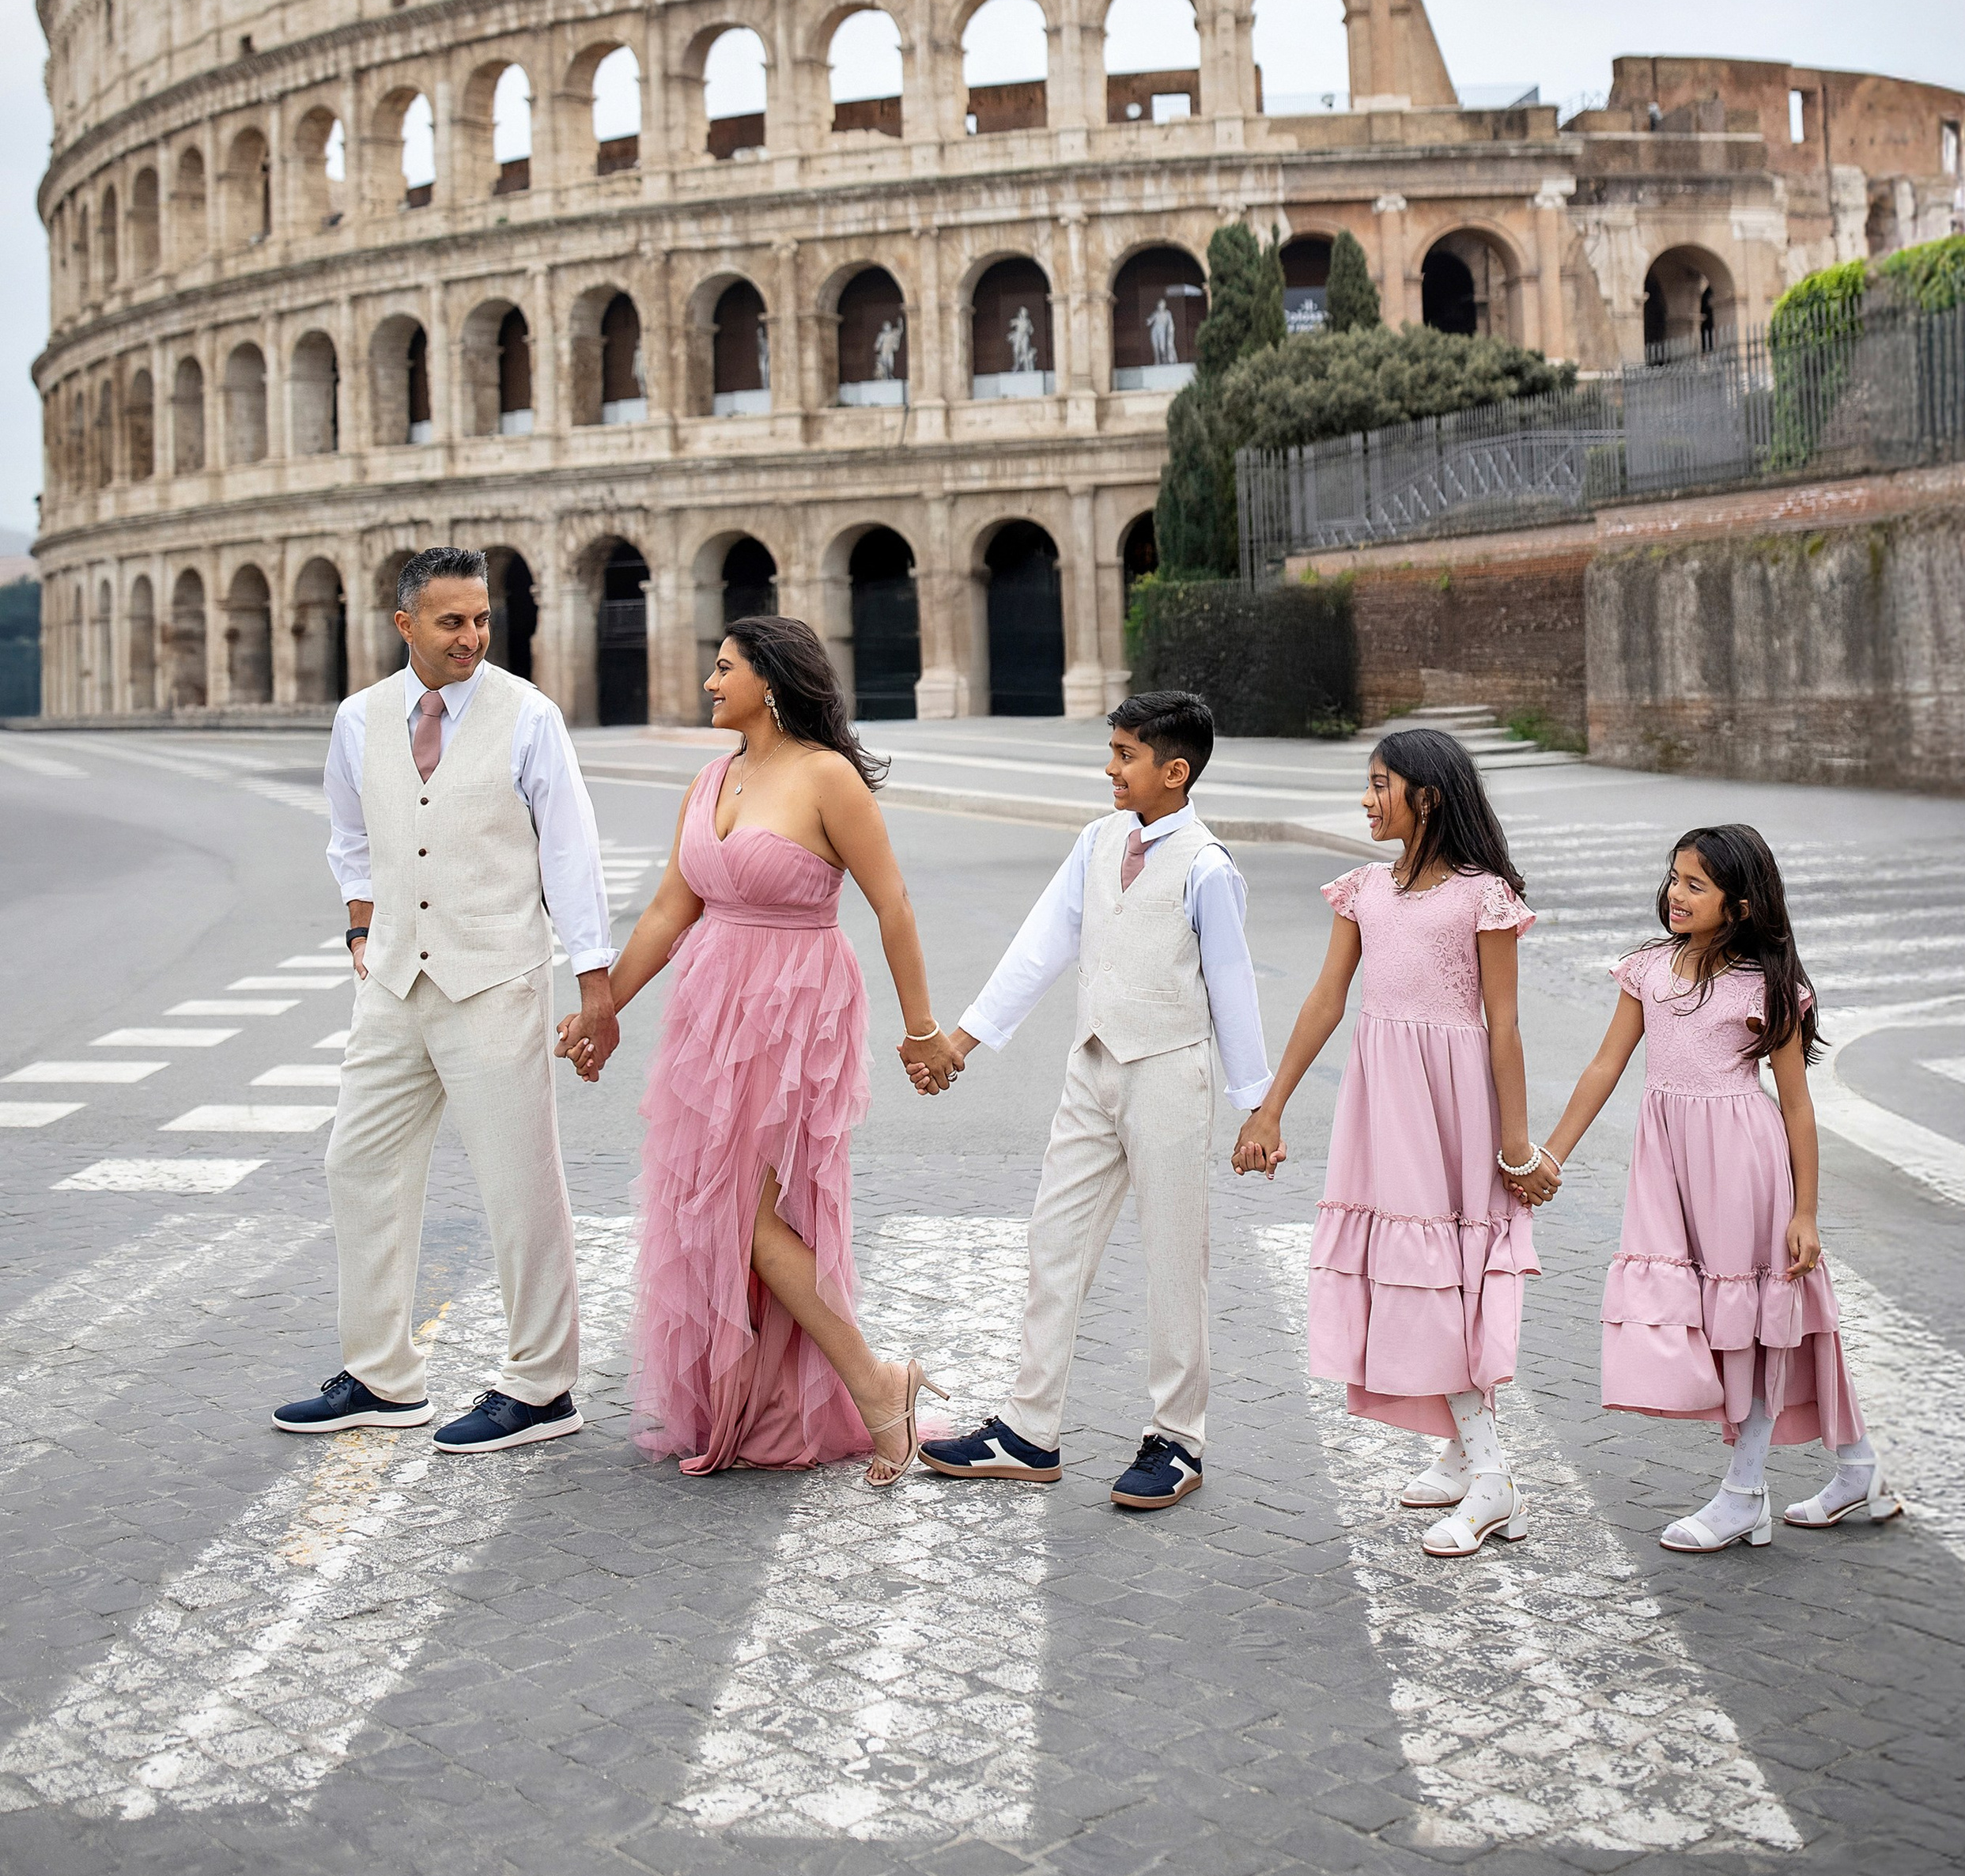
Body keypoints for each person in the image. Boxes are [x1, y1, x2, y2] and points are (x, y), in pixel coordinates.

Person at [555, 617, 964, 1484]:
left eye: (723, 667)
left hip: (796, 1012)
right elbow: (669, 910)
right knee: (716, 1204)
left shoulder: (826, 777)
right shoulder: (711, 778)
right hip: (710, 1014)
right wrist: (602, 1006)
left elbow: (892, 903)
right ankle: (816, 1391)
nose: (709, 682)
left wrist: (922, 1027)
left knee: (748, 1211)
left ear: (769, 681)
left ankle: (876, 1384)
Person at [274, 545, 613, 1453]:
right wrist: (359, 926)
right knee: (357, 1163)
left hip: (495, 979)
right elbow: (351, 835)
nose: (471, 636)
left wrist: (594, 981)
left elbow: (570, 852)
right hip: (391, 981)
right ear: (405, 623)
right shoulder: (359, 718)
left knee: (518, 1183)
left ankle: (543, 1385)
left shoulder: (528, 715)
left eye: (481, 619)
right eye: (451, 620)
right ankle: (382, 1376)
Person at [919, 690, 1268, 1514]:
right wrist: (962, 1040)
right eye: (1111, 751)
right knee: (1054, 1238)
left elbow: (1233, 982)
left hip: (1168, 1073)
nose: (1109, 767)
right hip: (1092, 1066)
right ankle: (1028, 1429)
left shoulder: (1207, 865)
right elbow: (1042, 944)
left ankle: (1177, 1439)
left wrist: (1258, 1105)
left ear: (1174, 771)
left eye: (1124, 755)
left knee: (1173, 1257)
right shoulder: (1096, 840)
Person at [1534, 823, 1901, 1550]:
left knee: (1754, 1325)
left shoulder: (1765, 987)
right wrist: (1552, 1154)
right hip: (1671, 1165)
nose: (1676, 893)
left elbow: (1796, 1106)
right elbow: (1605, 1066)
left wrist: (1805, 1211)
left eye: (1695, 885)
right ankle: (1858, 1466)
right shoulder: (1648, 969)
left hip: (1743, 1167)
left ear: (1740, 905)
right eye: (1674, 877)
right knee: (1740, 1318)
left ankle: (1744, 1493)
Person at [1233, 726, 1551, 1559]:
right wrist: (1269, 1107)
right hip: (1383, 1104)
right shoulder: (1363, 890)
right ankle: (1461, 1452)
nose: (1366, 798)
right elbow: (1324, 1000)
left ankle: (1492, 1476)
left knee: (1442, 1274)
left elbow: (1505, 1024)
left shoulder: (1483, 896)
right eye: (1368, 783)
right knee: (1416, 1271)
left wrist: (1516, 1146)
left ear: (1427, 796)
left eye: (1381, 783)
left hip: (1453, 1109)